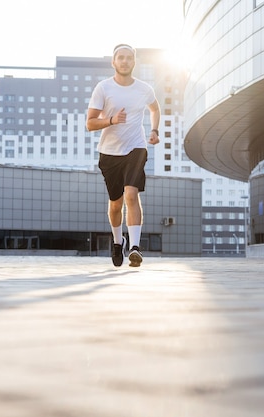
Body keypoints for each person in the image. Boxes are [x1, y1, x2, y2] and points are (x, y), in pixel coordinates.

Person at [86, 44, 161, 267]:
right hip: (109, 153)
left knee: (131, 194)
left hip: (136, 148)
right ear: (114, 62)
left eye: (129, 58)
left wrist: (154, 130)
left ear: (134, 62)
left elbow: (155, 109)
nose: (125, 61)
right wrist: (111, 120)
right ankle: (118, 242)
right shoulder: (103, 88)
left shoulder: (144, 89)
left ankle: (135, 248)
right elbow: (89, 123)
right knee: (116, 204)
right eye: (121, 57)